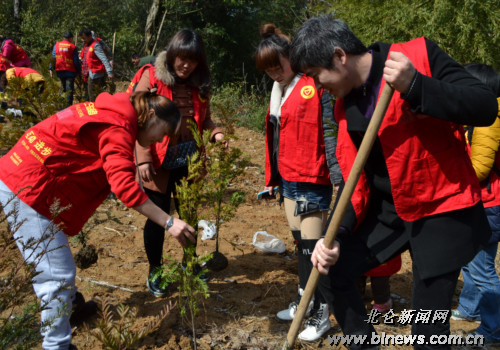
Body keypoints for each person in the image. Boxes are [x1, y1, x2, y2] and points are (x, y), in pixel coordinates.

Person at [289, 15, 498, 350]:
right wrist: (337, 234)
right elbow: (354, 180)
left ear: (340, 56)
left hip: (441, 208)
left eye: (317, 76)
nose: (318, 87)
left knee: (428, 333)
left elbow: (484, 106)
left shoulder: (418, 56)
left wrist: (417, 85)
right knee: (331, 269)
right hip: (390, 210)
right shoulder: (343, 105)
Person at [0, 91, 196, 350]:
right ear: (150, 115)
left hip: (27, 174)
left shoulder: (110, 110)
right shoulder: (118, 128)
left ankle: (71, 307)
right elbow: (124, 186)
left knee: (58, 259)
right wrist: (169, 222)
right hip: (29, 190)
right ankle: (56, 345)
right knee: (56, 277)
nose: (160, 139)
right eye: (163, 132)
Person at [255, 24, 341, 342]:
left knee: (314, 250)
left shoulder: (312, 83)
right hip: (288, 179)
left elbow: (330, 128)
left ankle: (322, 313)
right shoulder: (281, 91)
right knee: (301, 249)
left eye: (278, 63)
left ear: (290, 57)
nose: (275, 72)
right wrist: (273, 179)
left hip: (312, 177)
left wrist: (336, 172)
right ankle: (304, 302)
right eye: (268, 69)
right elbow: (275, 139)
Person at [127, 29, 225, 298]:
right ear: (171, 56)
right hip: (156, 162)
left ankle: (190, 263)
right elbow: (135, 116)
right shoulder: (152, 76)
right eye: (181, 58)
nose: (185, 65)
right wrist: (142, 156)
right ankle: (155, 271)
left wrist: (216, 133)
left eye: (192, 61)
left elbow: (204, 119)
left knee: (189, 214)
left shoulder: (200, 85)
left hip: (190, 159)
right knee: (158, 218)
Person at [450, 63, 500, 345]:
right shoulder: (481, 118)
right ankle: (470, 308)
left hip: (488, 203)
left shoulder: (489, 119)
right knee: (471, 261)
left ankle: (494, 329)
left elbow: (479, 168)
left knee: (482, 269)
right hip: (483, 201)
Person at [79, 28, 114, 102]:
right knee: (91, 94)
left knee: (93, 95)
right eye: (81, 38)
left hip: (96, 73)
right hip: (90, 73)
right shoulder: (87, 45)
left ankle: (95, 110)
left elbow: (104, 58)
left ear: (89, 36)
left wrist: (109, 72)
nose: (83, 40)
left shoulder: (95, 45)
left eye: (84, 38)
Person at [50, 31, 81, 106]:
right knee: (69, 89)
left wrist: (51, 68)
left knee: (63, 88)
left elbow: (53, 57)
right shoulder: (72, 46)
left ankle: (61, 105)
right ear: (70, 38)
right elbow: (76, 61)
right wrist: (79, 71)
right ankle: (68, 107)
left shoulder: (56, 45)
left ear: (63, 37)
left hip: (60, 70)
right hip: (70, 71)